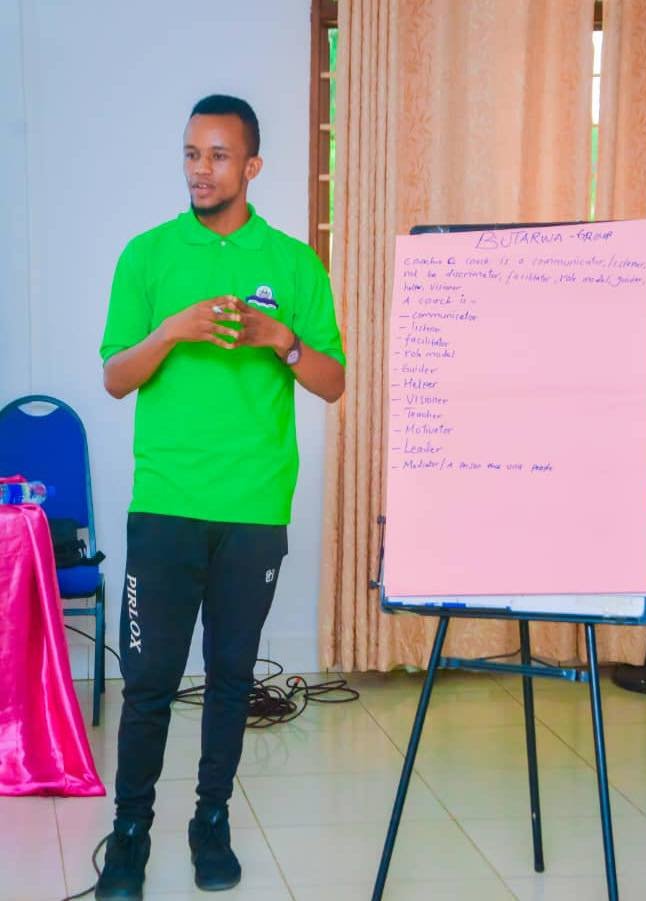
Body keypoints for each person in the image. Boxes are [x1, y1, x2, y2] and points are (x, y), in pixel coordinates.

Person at [95, 94, 345, 900]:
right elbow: (115, 376)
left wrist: (282, 339)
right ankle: (130, 832)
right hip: (166, 501)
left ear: (253, 166)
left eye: (218, 156)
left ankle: (211, 820)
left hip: (254, 505)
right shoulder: (147, 255)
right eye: (191, 154)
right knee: (149, 682)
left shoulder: (294, 264)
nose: (201, 170)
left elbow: (333, 382)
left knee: (232, 676)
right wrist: (172, 330)